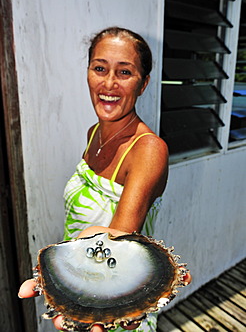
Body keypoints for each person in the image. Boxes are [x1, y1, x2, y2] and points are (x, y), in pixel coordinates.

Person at [19, 27, 190, 332]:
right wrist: (66, 269)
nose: (108, 84)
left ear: (143, 83)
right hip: (80, 283)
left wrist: (80, 256)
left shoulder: (148, 150)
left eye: (124, 72)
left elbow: (119, 239)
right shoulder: (93, 134)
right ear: (88, 72)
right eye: (100, 68)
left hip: (119, 300)